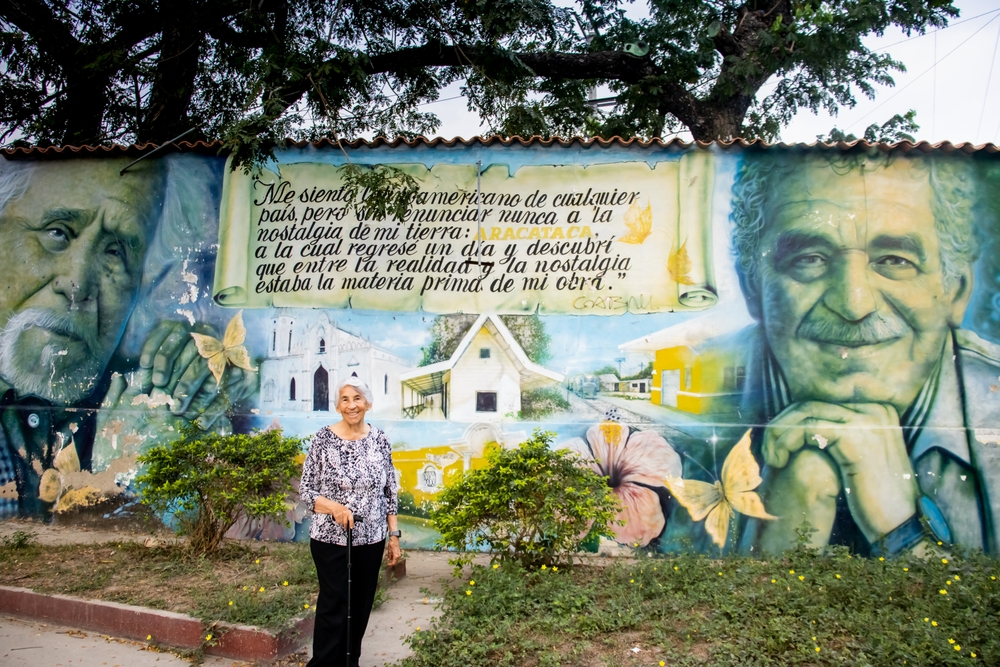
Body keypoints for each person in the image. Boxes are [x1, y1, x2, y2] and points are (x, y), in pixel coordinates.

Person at [724, 151, 1000, 557]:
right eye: (809, 259)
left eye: (894, 260)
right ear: (753, 289)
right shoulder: (685, 404)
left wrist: (903, 533)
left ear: (956, 290)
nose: (854, 305)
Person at [0, 156, 248, 517]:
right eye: (57, 232)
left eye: (115, 252)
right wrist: (119, 476)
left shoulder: (146, 402)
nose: (77, 284)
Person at [299, 377, 401, 667]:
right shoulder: (323, 439)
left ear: (367, 403)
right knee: (335, 603)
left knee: (360, 604)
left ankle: (349, 662)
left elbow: (389, 490)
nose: (351, 405)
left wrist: (394, 536)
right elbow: (306, 490)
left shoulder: (380, 439)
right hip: (331, 539)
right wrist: (332, 507)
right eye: (344, 399)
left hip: (371, 538)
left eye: (357, 398)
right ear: (337, 405)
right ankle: (323, 664)